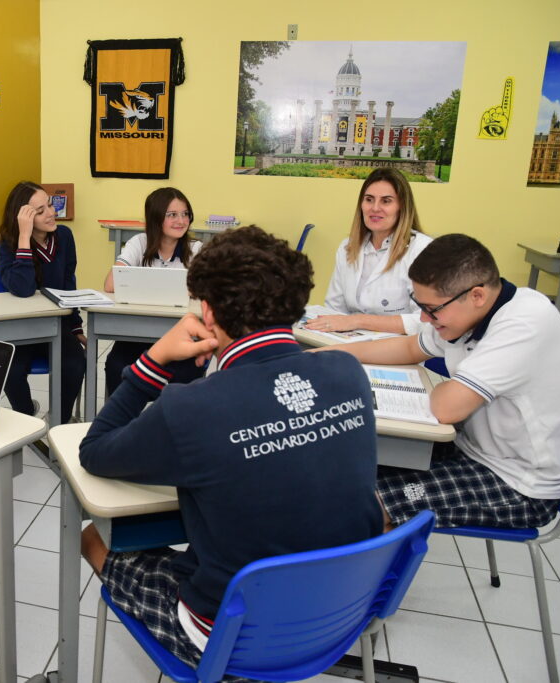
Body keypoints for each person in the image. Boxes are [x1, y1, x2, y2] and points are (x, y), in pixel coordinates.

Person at [78, 226, 382, 668]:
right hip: (340, 611)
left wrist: (156, 358)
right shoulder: (347, 370)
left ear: (207, 311)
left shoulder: (192, 407)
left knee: (92, 535)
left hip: (232, 632)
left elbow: (95, 450)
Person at [319, 234, 560, 530]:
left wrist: (451, 388)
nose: (424, 317)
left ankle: (366, 570)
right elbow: (409, 348)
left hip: (516, 482)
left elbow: (446, 409)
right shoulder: (467, 314)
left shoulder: (525, 321)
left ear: (476, 296)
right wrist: (324, 356)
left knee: (364, 508)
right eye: (419, 304)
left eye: (432, 309)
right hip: (469, 446)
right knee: (346, 465)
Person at [0, 181, 86, 424]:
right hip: (21, 328)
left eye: (50, 205)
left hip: (56, 325)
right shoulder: (6, 246)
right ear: (22, 217)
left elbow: (68, 284)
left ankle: (60, 420)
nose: (52, 213)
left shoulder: (64, 236)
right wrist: (24, 237)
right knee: (10, 371)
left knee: (76, 363)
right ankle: (26, 416)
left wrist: (75, 326)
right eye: (40, 210)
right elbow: (23, 290)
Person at [101, 187, 206, 396]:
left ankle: (171, 424)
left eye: (185, 214)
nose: (181, 221)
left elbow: (206, 289)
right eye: (172, 215)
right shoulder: (139, 243)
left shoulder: (196, 249)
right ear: (156, 218)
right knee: (115, 366)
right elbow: (111, 284)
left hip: (182, 337)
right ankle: (121, 426)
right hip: (136, 333)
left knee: (186, 374)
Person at [304, 167, 432, 336]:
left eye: (386, 201)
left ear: (402, 207)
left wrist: (358, 320)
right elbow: (334, 310)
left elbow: (426, 322)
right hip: (350, 343)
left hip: (401, 349)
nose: (375, 208)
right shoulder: (347, 248)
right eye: (369, 199)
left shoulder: (422, 250)